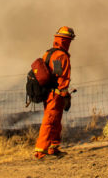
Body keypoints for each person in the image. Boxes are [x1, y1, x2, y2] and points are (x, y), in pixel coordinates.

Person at [34, 26, 74, 159]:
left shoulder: (49, 53)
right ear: (66, 41)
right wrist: (65, 94)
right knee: (50, 121)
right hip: (55, 94)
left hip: (49, 92)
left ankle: (53, 148)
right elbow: (60, 76)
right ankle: (40, 151)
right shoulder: (61, 55)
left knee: (56, 121)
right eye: (69, 40)